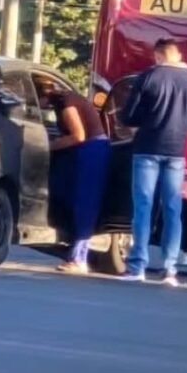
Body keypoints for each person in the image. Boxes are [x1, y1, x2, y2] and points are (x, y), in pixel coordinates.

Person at [120, 39, 187, 286]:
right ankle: (170, 269)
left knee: (143, 208)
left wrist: (146, 120)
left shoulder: (148, 77)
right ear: (177, 55)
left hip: (147, 148)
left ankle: (137, 266)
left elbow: (127, 116)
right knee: (172, 209)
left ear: (158, 56)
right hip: (177, 152)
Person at [38, 78, 110, 275]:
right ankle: (77, 254)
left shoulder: (67, 103)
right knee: (78, 200)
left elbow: (78, 135)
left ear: (44, 95)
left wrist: (49, 147)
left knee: (83, 202)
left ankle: (79, 258)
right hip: (90, 150)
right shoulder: (66, 100)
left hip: (91, 151)